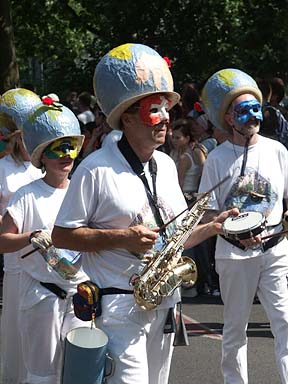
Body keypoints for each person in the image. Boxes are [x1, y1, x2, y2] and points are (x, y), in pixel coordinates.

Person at [51, 43, 238, 384]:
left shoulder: (165, 165)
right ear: (126, 116)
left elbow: (175, 237)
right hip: (120, 308)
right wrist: (123, 236)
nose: (166, 118)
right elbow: (61, 235)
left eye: (167, 109)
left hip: (164, 305)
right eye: (155, 109)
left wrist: (213, 227)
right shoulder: (95, 169)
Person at [199, 68, 288, 383]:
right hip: (234, 256)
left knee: (285, 322)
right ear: (229, 119)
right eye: (243, 111)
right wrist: (226, 228)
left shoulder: (278, 151)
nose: (252, 116)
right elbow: (208, 214)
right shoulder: (218, 159)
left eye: (256, 109)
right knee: (235, 329)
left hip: (275, 251)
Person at [0, 97, 88, 384]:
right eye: (57, 149)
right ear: (42, 156)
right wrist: (31, 237)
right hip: (41, 296)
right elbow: (3, 241)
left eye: (70, 147)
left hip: (80, 296)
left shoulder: (83, 190)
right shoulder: (27, 194)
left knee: (79, 371)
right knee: (42, 376)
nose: (66, 155)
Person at [0, 88, 43, 384]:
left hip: (52, 264)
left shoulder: (45, 166)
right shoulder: (2, 168)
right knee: (16, 335)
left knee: (44, 338)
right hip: (16, 261)